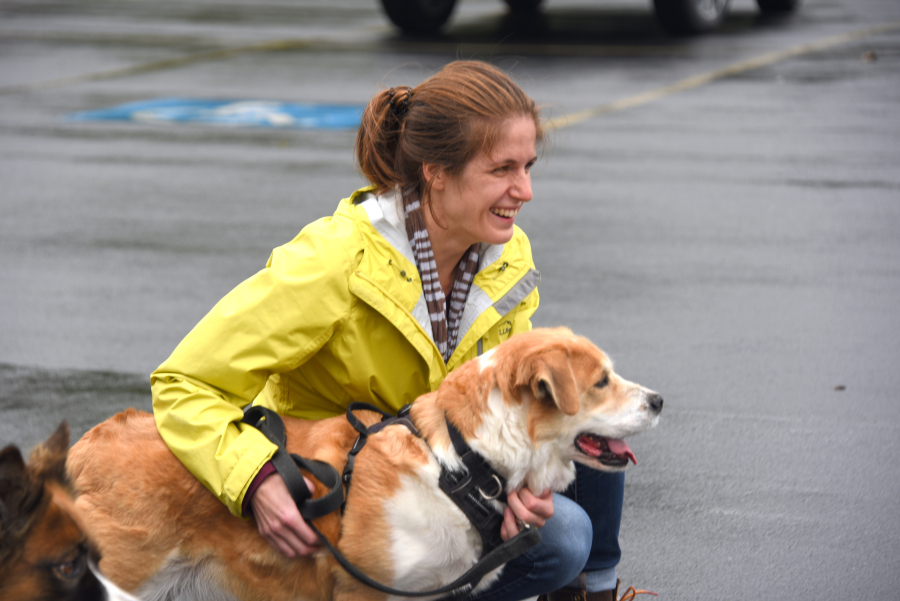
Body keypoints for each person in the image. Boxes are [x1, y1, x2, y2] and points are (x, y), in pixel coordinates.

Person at [151, 60, 626, 601]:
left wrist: (521, 489)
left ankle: (596, 591)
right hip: (338, 482)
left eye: (529, 167)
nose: (526, 190)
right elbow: (182, 383)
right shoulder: (336, 259)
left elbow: (507, 406)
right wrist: (255, 480)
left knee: (594, 419)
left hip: (434, 474)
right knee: (563, 538)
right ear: (435, 172)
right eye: (503, 170)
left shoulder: (506, 254)